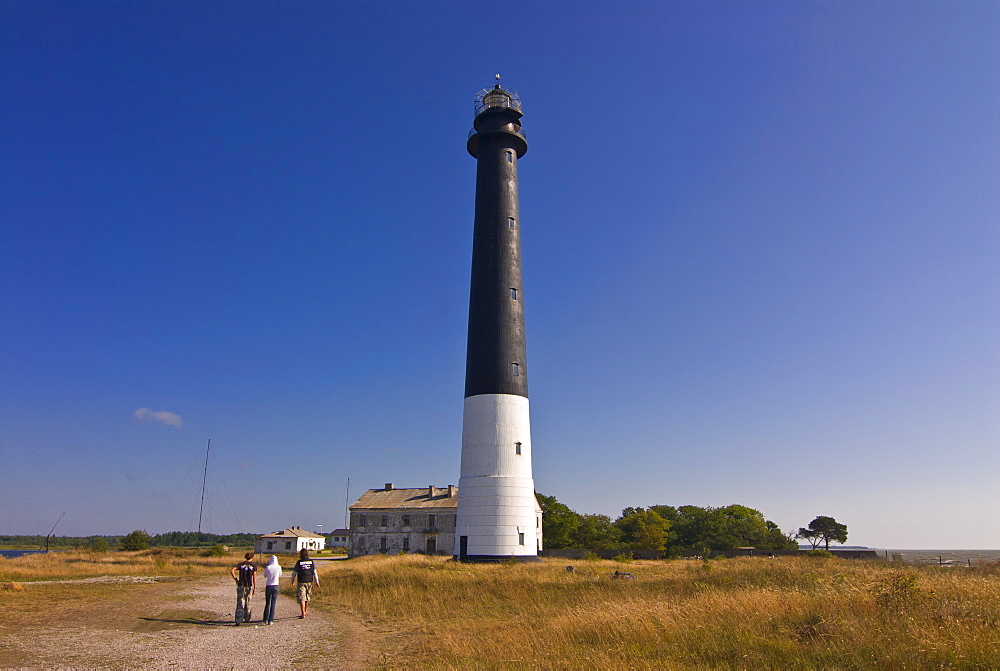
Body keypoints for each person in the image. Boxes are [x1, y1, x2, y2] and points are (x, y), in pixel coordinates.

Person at [289, 548, 319, 618]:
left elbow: (294, 573)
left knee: (301, 597)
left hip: (301, 581)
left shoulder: (299, 562)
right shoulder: (311, 562)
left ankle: (303, 613)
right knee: (307, 596)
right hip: (309, 581)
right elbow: (314, 572)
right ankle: (305, 610)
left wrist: (292, 581)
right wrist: (317, 581)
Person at [230, 552, 256, 625]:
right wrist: (255, 587)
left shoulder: (241, 564)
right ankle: (247, 618)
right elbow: (254, 577)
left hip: (241, 585)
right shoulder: (253, 565)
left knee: (240, 602)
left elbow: (232, 570)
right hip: (249, 585)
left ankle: (238, 619)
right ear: (252, 557)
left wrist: (236, 579)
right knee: (248, 601)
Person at [262, 555, 282, 625]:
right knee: (273, 603)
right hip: (275, 585)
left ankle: (265, 619)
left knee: (267, 603)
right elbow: (280, 575)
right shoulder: (279, 567)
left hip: (268, 585)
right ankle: (271, 620)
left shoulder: (268, 567)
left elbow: (265, 575)